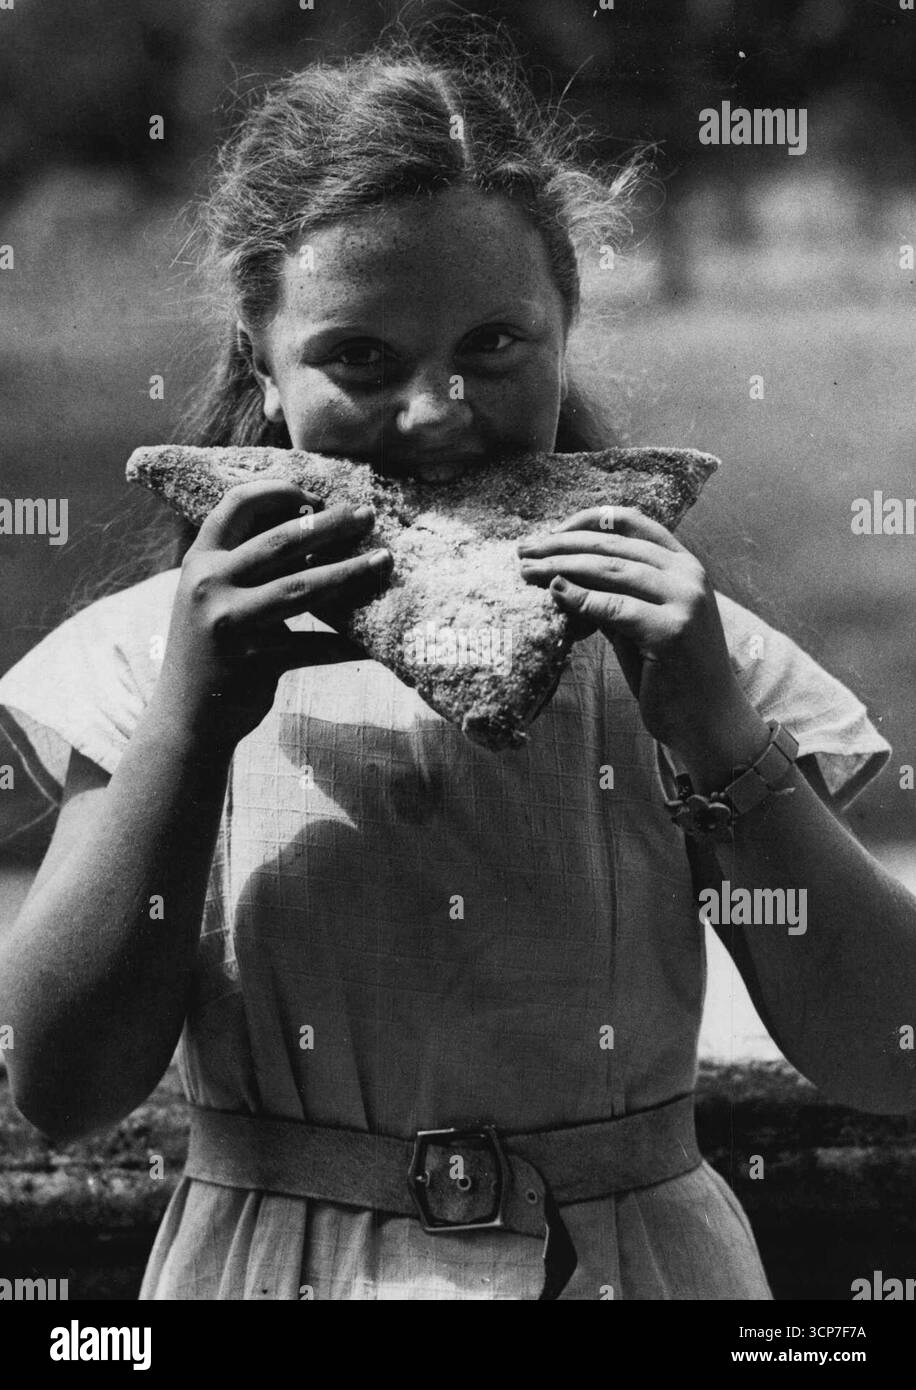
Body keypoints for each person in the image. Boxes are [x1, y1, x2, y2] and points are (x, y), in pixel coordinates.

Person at [1, 37, 914, 1301]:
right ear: (262, 361)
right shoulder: (143, 663)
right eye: (360, 359)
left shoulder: (688, 654)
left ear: (566, 331)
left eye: (494, 346)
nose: (436, 412)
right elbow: (62, 1090)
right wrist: (187, 731)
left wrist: (723, 743)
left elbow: (890, 1050)